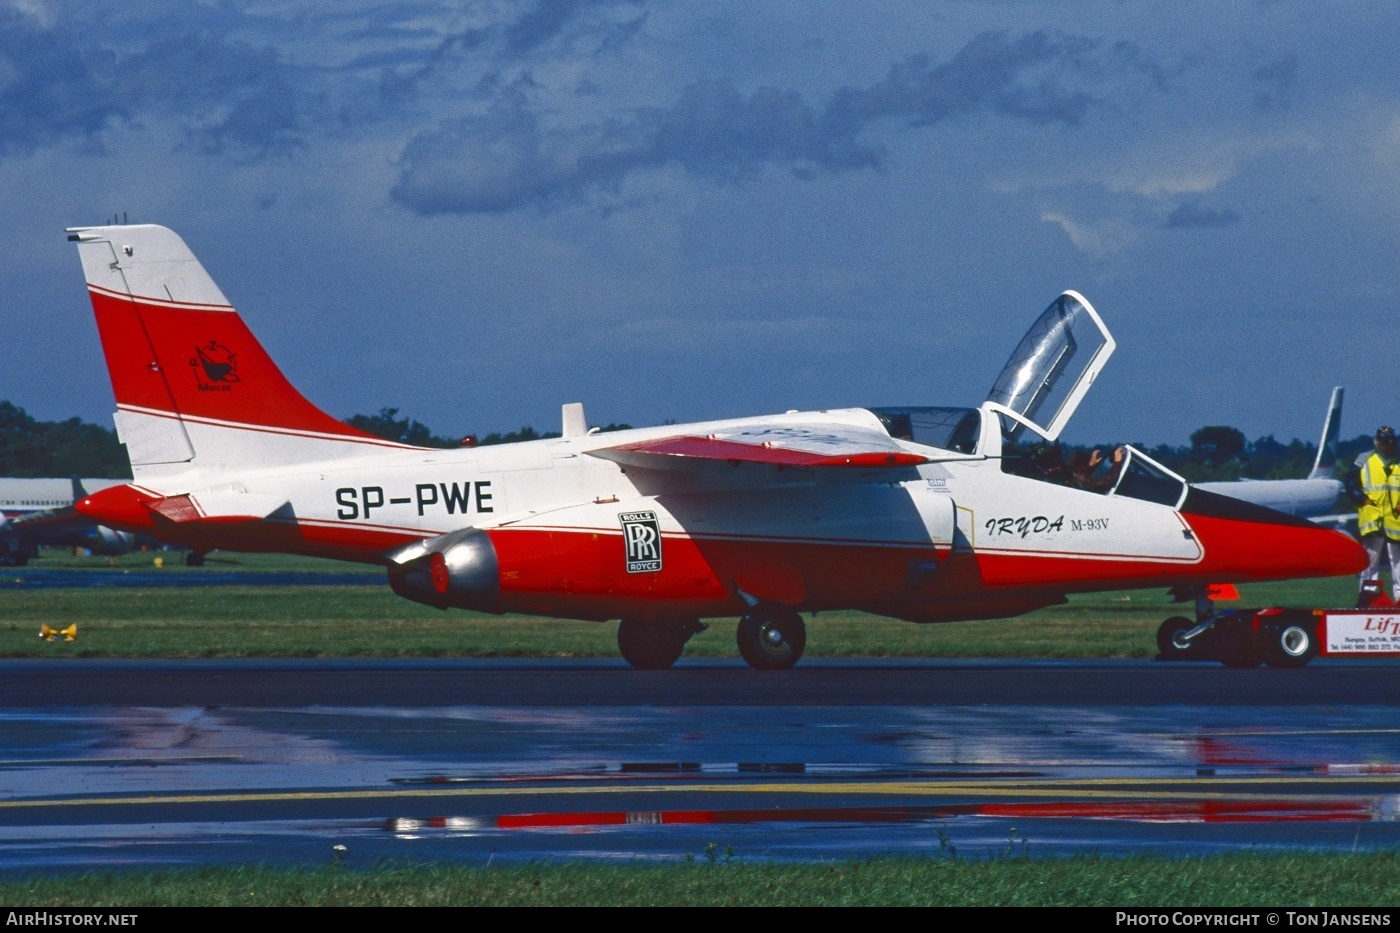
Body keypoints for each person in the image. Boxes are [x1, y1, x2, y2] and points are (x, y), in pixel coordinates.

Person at [1356, 425, 1400, 605]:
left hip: (1395, 520)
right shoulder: (1364, 459)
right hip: (1373, 518)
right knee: (1370, 559)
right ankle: (1367, 595)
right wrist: (1362, 499)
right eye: (1383, 442)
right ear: (1377, 441)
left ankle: (1399, 596)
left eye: (1389, 442)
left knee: (1397, 560)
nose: (1386, 446)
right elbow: (1351, 482)